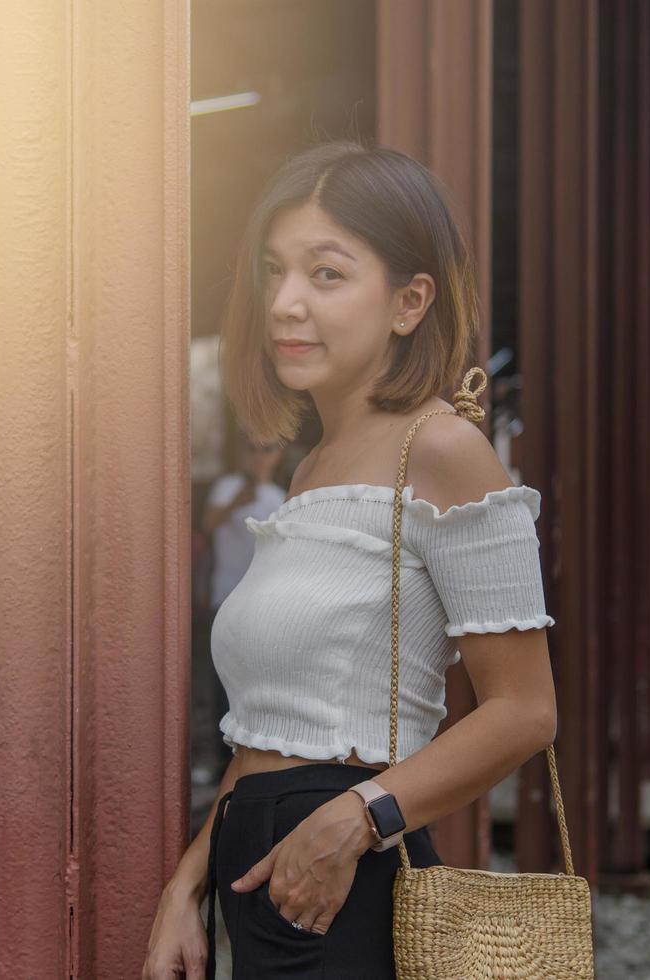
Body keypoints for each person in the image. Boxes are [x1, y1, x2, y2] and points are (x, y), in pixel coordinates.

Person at [143, 141, 559, 979]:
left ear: (410, 301)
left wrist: (356, 822)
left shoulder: (443, 450)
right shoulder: (311, 469)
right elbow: (271, 734)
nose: (286, 303)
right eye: (273, 270)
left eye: (326, 275)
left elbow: (524, 710)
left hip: (346, 882)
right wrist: (186, 885)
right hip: (262, 885)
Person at [198, 436, 287, 772]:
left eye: (267, 449)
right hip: (226, 595)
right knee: (224, 680)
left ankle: (252, 760)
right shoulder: (228, 486)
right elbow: (207, 524)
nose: (258, 456)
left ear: (278, 455)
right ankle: (224, 763)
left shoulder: (280, 498)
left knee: (260, 679)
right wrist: (237, 502)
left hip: (264, 600)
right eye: (251, 447)